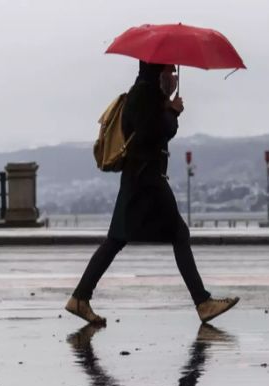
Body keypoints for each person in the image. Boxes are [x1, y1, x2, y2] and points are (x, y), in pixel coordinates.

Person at [65, 61, 239, 325]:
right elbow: (153, 133)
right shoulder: (145, 95)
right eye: (169, 71)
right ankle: (203, 303)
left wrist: (167, 105)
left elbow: (152, 130)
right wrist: (173, 112)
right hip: (147, 180)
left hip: (139, 179)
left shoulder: (144, 93)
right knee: (178, 234)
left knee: (116, 240)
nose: (172, 76)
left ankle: (80, 297)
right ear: (158, 72)